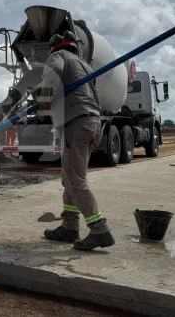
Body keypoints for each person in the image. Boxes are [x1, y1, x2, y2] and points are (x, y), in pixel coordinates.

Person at [39, 30, 114, 251]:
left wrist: (44, 100)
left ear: (55, 47)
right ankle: (69, 227)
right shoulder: (84, 65)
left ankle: (100, 230)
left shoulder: (57, 57)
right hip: (93, 123)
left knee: (75, 180)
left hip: (76, 123)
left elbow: (51, 76)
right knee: (70, 178)